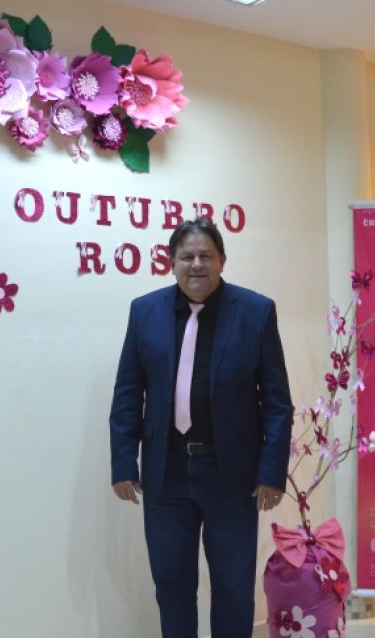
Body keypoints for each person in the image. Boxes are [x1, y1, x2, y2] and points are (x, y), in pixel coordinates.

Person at [109, 217, 293, 638]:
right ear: (171, 262)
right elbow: (127, 395)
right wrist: (123, 464)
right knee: (172, 588)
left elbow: (277, 403)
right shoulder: (144, 312)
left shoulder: (256, 312)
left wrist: (270, 472)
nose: (196, 265)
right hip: (165, 473)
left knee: (233, 589)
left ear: (222, 260)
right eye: (187, 256)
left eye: (206, 256)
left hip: (232, 476)